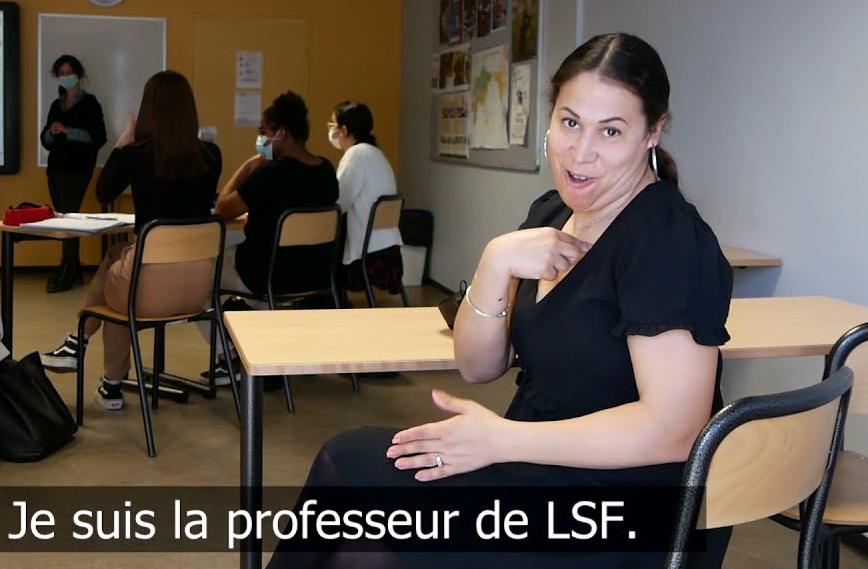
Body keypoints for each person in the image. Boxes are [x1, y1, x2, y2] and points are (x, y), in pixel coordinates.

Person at [267, 34, 734, 569]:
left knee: (359, 507)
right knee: (352, 497)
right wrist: (495, 262)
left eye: (611, 131)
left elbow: (674, 431)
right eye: (570, 122)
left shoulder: (665, 239)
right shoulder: (552, 211)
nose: (581, 153)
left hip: (624, 503)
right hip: (535, 463)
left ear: (653, 131)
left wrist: (501, 440)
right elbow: (478, 365)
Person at [39, 71, 222, 410]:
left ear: (148, 110)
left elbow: (104, 192)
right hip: (198, 290)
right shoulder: (212, 155)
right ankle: (87, 361)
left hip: (150, 292)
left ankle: (94, 365)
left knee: (117, 283)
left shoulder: (136, 154)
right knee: (119, 259)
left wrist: (122, 145)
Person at [208, 91, 339, 384]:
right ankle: (262, 351)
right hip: (314, 274)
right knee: (253, 263)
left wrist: (247, 167)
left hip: (265, 273)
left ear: (281, 133)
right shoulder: (327, 172)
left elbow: (223, 208)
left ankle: (227, 357)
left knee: (202, 273)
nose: (262, 139)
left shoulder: (270, 174)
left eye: (264, 132)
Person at [40, 54, 107, 293]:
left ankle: (68, 268)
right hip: (55, 168)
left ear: (78, 74)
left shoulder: (90, 103)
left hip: (77, 169)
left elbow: (98, 137)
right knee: (62, 218)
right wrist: (52, 131)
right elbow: (45, 140)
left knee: (69, 219)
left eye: (69, 71)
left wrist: (69, 131)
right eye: (62, 73)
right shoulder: (56, 105)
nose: (66, 76)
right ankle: (73, 268)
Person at [327, 101, 405, 302]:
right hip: (387, 250)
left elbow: (338, 204)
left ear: (343, 130)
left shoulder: (356, 155)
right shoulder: (375, 153)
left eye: (333, 125)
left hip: (366, 254)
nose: (331, 132)